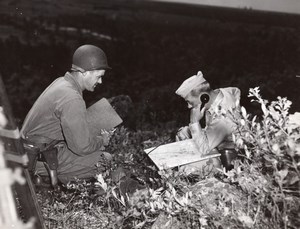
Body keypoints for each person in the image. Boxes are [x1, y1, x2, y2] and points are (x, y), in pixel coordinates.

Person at [21, 44, 114, 185]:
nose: (100, 81)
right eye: (98, 76)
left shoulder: (61, 83)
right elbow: (81, 148)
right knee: (105, 159)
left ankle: (58, 184)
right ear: (84, 72)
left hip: (28, 151)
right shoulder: (72, 98)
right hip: (37, 159)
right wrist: (102, 140)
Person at [175, 71, 241, 175]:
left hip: (228, 158)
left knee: (185, 169)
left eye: (189, 102)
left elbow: (204, 149)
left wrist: (194, 121)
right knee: (183, 132)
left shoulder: (223, 117)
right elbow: (236, 91)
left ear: (203, 97)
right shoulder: (218, 95)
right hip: (216, 142)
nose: (188, 106)